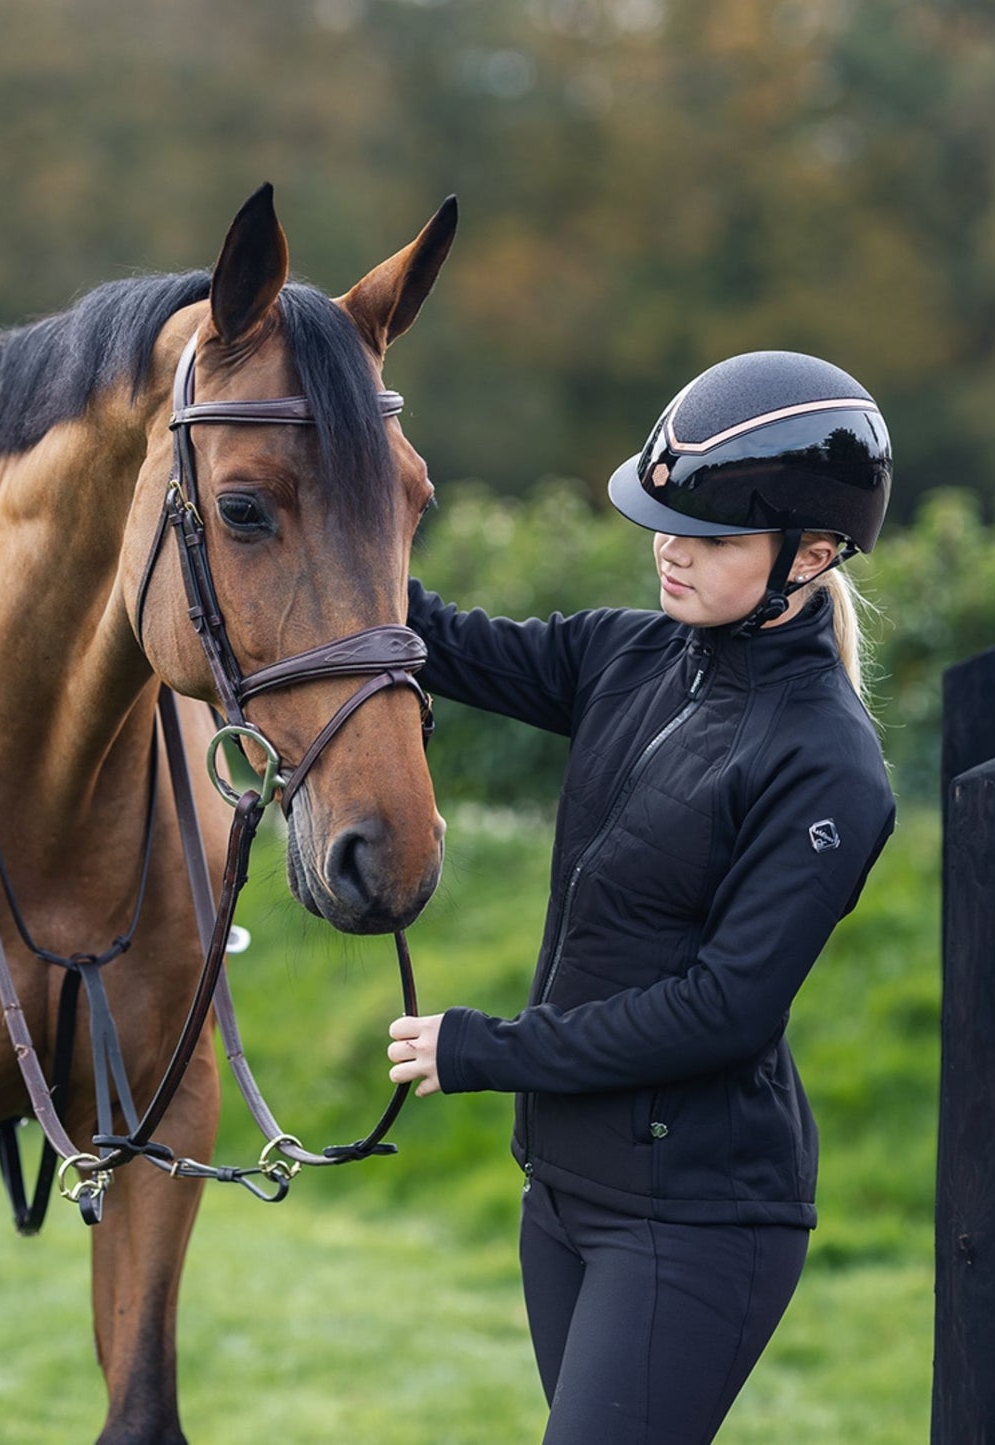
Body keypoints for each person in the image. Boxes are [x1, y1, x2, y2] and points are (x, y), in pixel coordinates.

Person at [387, 350, 897, 1444]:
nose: (667, 550)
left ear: (809, 553)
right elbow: (437, 638)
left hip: (693, 1217)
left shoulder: (827, 767)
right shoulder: (626, 655)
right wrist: (314, 499)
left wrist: (488, 1049)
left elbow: (725, 1008)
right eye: (662, 521)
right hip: (561, 1195)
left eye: (708, 537)